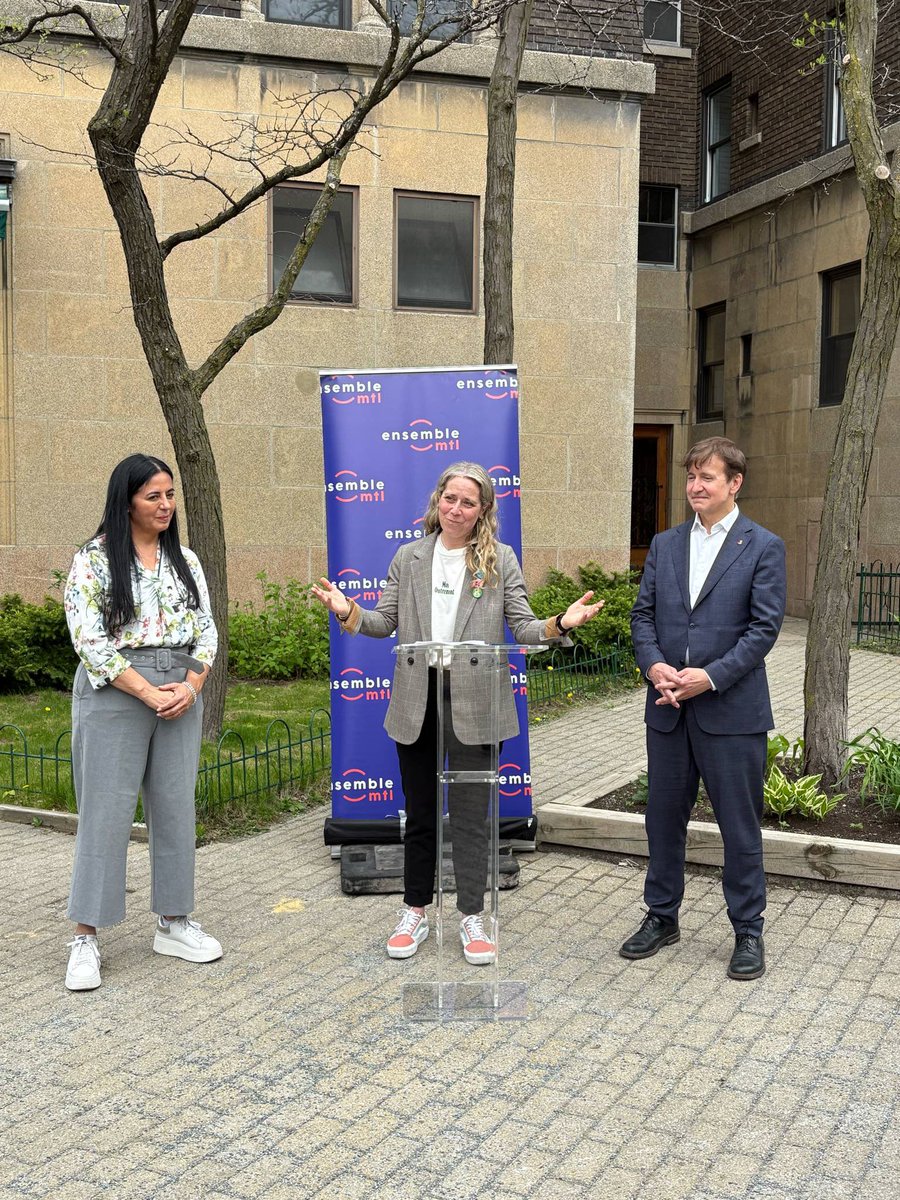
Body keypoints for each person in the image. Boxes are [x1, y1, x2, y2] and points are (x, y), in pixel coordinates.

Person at [312, 461, 603, 964]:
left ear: (483, 509)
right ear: (437, 500)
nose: (456, 509)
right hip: (417, 699)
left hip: (477, 701)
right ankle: (415, 912)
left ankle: (472, 916)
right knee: (420, 814)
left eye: (468, 502)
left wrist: (561, 623)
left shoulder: (499, 559)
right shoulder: (409, 556)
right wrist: (348, 611)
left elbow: (523, 627)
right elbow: (384, 622)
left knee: (470, 817)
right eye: (450, 498)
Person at [625, 437, 786, 980]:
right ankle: (661, 916)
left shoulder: (763, 546)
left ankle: (748, 930)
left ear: (734, 483)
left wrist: (710, 677)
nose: (695, 486)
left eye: (707, 477)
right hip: (667, 706)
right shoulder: (666, 544)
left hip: (732, 713)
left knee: (739, 827)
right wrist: (655, 667)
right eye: (691, 476)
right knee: (662, 821)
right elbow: (642, 616)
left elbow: (764, 629)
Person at [62, 454, 221, 991]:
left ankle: (174, 922)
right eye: (154, 496)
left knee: (175, 808)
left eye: (170, 495)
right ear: (126, 500)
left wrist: (191, 686)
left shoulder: (185, 560)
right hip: (116, 691)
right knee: (105, 813)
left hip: (180, 690)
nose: (166, 505)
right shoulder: (94, 560)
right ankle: (86, 936)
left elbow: (207, 631)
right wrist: (148, 691)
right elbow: (89, 641)